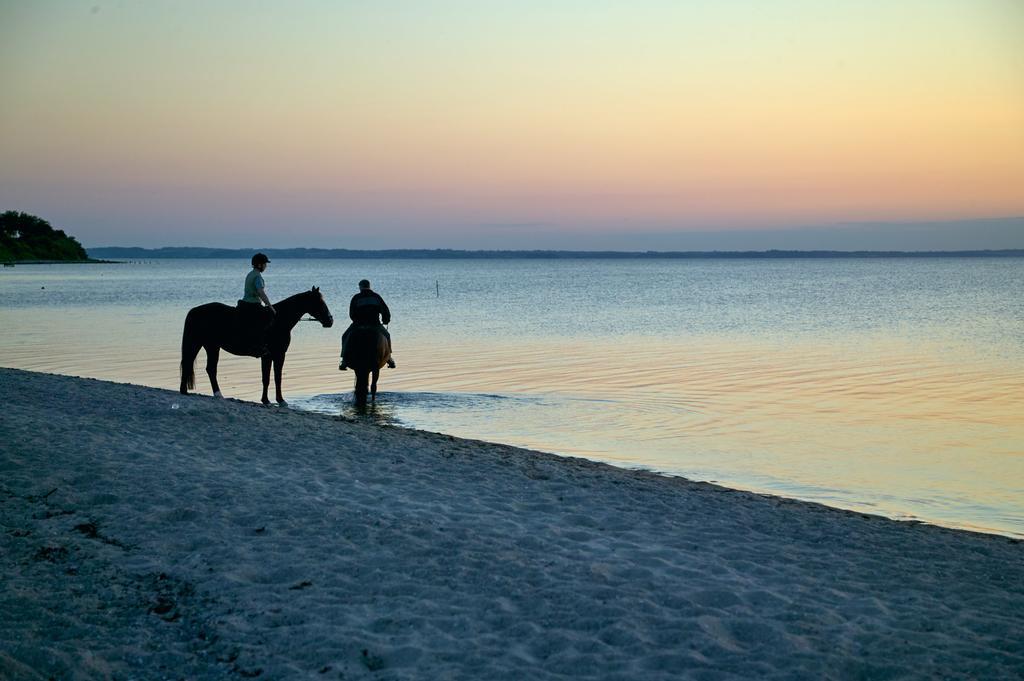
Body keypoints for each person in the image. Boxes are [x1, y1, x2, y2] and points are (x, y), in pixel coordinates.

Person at [338, 278, 396, 370]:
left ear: (360, 287)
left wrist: (357, 321)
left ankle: (344, 360)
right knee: (387, 335)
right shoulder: (376, 297)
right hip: (375, 324)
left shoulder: (356, 297)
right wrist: (386, 320)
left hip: (358, 324)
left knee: (345, 336)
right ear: (369, 286)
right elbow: (385, 310)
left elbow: (352, 313)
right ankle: (389, 358)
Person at [236, 253, 276, 355]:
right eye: (264, 264)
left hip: (244, 303)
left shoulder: (250, 274)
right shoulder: (258, 277)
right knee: (267, 319)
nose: (266, 266)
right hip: (253, 305)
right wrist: (270, 307)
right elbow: (261, 293)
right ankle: (259, 346)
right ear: (259, 265)